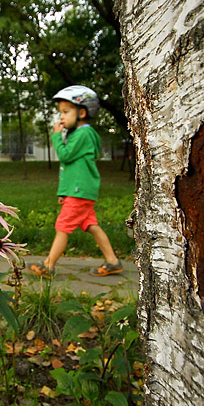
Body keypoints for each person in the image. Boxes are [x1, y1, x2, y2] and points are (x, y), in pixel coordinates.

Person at [29, 85, 123, 277]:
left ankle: (48, 265)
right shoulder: (81, 134)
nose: (61, 117)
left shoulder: (83, 133)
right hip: (79, 190)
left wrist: (55, 136)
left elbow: (65, 155)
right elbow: (73, 168)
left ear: (81, 112)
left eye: (65, 112)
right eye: (60, 113)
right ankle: (113, 261)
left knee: (62, 227)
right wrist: (64, 192)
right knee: (92, 226)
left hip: (79, 191)